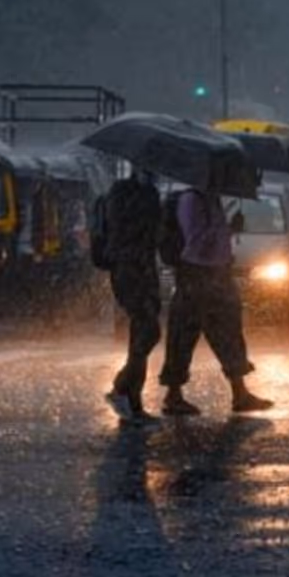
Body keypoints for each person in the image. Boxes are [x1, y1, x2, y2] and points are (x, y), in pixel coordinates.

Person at [159, 185, 273, 415]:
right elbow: (195, 240)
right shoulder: (191, 200)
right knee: (183, 335)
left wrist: (230, 229)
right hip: (197, 274)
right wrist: (221, 231)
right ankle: (173, 395)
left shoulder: (212, 199)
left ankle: (240, 393)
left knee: (228, 333)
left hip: (217, 273)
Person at [102, 168, 163, 425]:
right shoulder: (123, 193)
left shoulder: (149, 194)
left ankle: (131, 398)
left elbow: (153, 237)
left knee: (143, 332)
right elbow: (125, 230)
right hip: (129, 270)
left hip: (144, 268)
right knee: (147, 330)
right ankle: (123, 390)